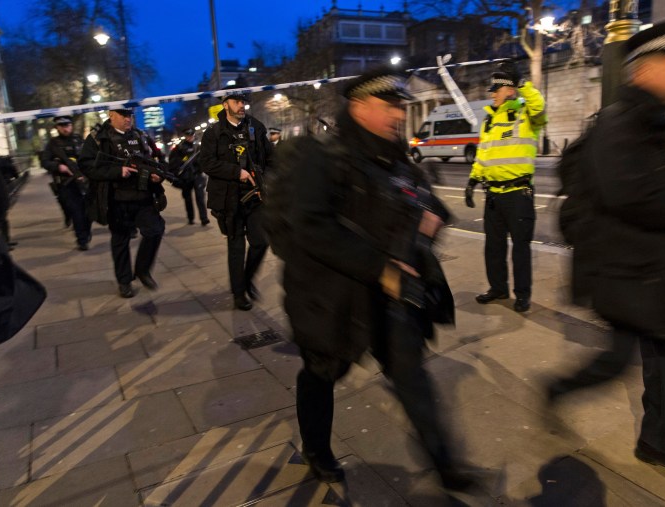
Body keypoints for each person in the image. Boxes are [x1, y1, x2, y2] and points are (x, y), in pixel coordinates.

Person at [546, 21, 665, 484]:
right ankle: (560, 389)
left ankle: (658, 442)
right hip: (625, 271)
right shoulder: (619, 122)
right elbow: (632, 196)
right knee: (618, 360)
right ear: (646, 71)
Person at [282, 66, 471, 492]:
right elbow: (310, 226)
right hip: (335, 297)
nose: (398, 114)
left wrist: (432, 218)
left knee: (411, 374)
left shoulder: (395, 155)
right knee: (322, 373)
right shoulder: (326, 158)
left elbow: (428, 201)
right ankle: (316, 448)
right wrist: (380, 267)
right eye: (389, 106)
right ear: (359, 106)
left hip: (392, 298)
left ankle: (446, 465)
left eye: (400, 106)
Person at [465, 58, 547, 312]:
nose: (492, 95)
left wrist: (523, 84)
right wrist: (472, 180)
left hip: (518, 194)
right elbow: (484, 154)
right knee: (494, 247)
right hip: (494, 196)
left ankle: (522, 294)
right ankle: (498, 288)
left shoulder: (526, 114)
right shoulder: (489, 121)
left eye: (496, 90)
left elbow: (539, 107)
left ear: (509, 90)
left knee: (520, 249)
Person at [78, 108, 166, 298]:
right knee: (120, 240)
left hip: (143, 196)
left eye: (130, 115)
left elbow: (156, 159)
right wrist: (117, 172)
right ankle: (124, 281)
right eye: (123, 115)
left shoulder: (140, 135)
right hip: (116, 200)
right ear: (111, 115)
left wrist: (157, 176)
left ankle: (142, 270)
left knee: (155, 229)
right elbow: (86, 166)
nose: (128, 119)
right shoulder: (97, 138)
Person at [199, 87, 272, 311]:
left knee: (261, 241)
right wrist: (235, 172)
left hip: (254, 197)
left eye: (243, 101)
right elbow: (207, 163)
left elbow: (270, 157)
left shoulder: (255, 127)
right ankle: (238, 293)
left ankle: (247, 279)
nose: (241, 105)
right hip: (229, 199)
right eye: (236, 101)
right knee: (236, 247)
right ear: (225, 104)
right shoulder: (214, 132)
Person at [41, 115, 92, 250]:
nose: (65, 128)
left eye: (67, 125)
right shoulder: (53, 144)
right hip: (67, 184)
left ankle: (86, 233)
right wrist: (58, 167)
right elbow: (45, 162)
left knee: (88, 212)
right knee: (77, 212)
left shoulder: (78, 139)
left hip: (84, 181)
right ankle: (82, 240)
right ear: (57, 127)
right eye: (62, 126)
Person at [169, 129, 209, 226]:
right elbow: (173, 162)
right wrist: (184, 160)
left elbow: (205, 159)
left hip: (197, 175)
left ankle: (204, 219)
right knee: (188, 199)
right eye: (188, 135)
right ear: (185, 136)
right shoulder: (179, 148)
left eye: (192, 135)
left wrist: (200, 165)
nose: (190, 137)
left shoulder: (197, 147)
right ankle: (190, 218)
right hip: (185, 177)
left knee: (200, 197)